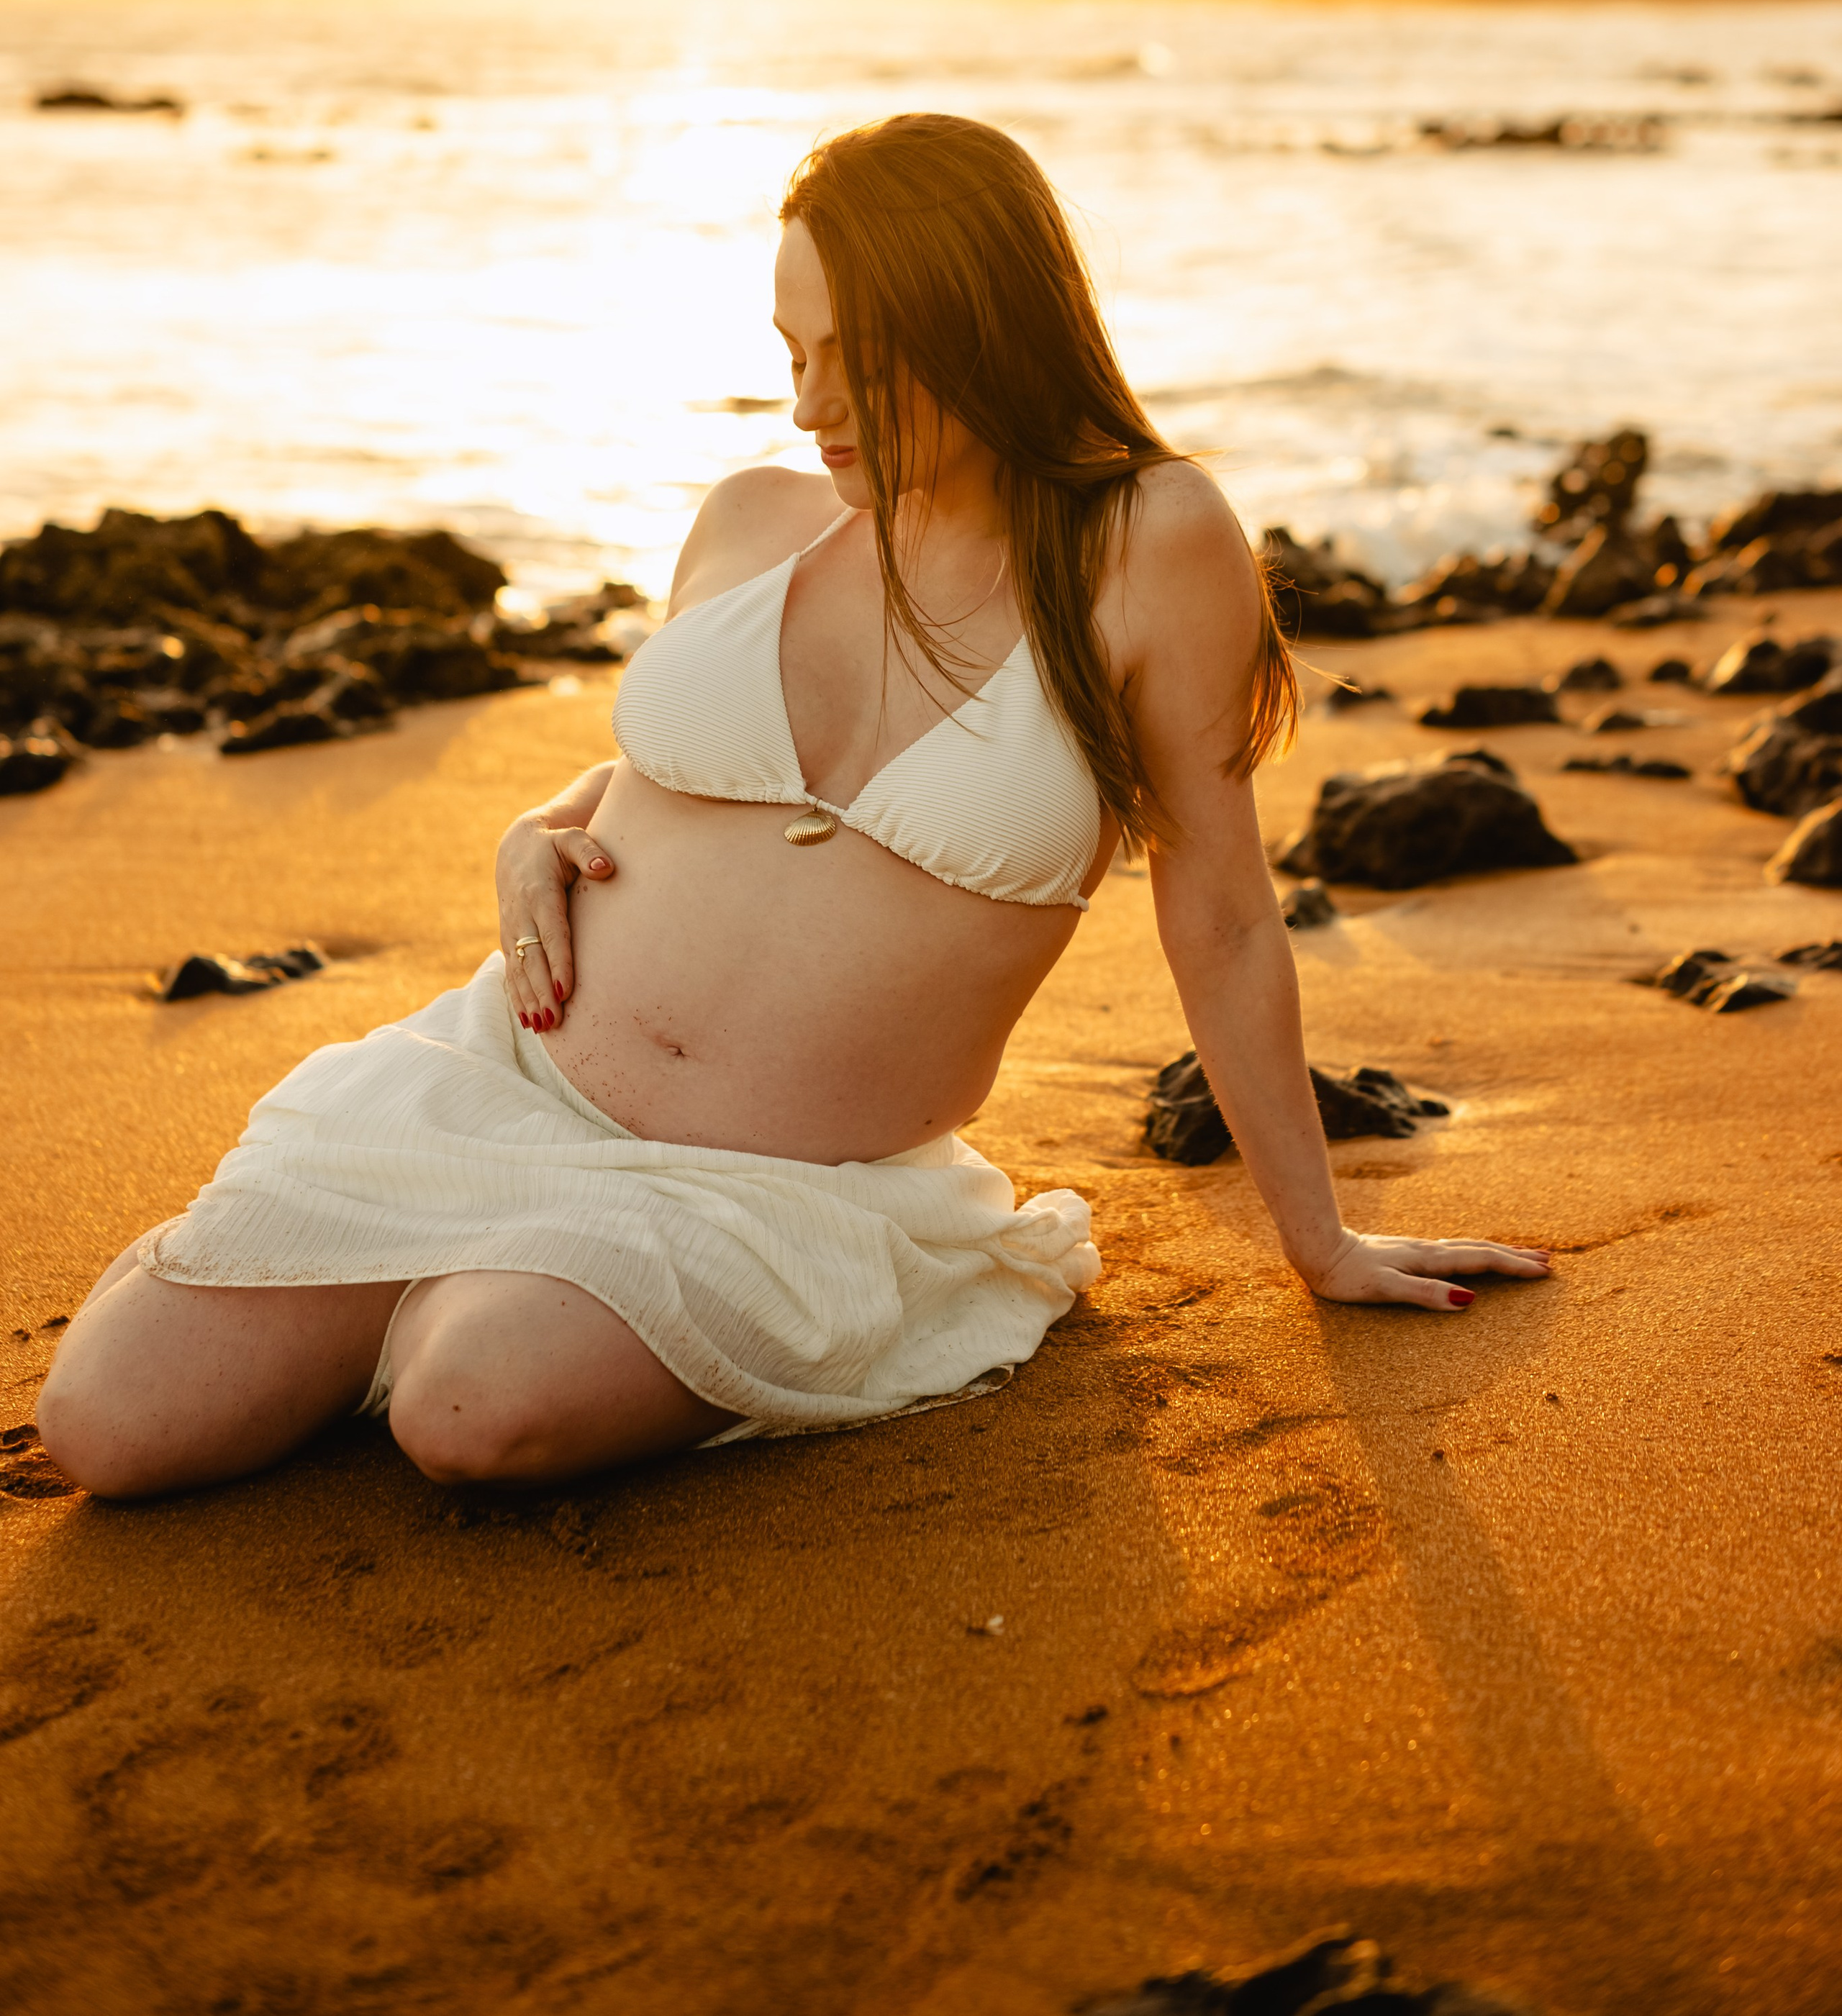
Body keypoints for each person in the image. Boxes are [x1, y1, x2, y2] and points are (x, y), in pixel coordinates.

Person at [37, 114, 1548, 1500]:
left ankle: (472, 1301)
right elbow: (682, 786)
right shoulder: (753, 518)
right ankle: (428, 1267)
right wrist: (540, 820)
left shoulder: (1148, 541)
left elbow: (1214, 903)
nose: (811, 400)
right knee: (104, 1423)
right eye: (791, 347)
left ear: (982, 324)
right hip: (503, 1079)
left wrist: (1317, 1236)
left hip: (770, 1193)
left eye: (859, 356)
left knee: (468, 1411)